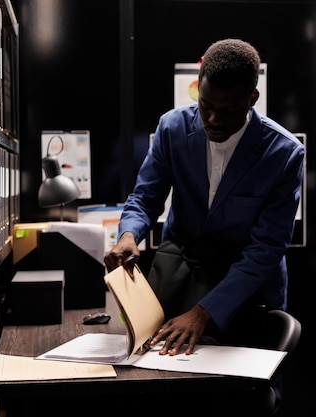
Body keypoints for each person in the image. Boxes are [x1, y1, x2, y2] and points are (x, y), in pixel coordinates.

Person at [104, 38, 304, 357]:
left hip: (245, 287)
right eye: (206, 106)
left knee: (236, 392)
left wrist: (203, 312)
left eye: (227, 111)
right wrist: (128, 235)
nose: (212, 120)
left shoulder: (283, 153)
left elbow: (267, 248)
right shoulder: (172, 128)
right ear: (198, 90)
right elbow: (145, 196)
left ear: (252, 98)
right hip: (182, 273)